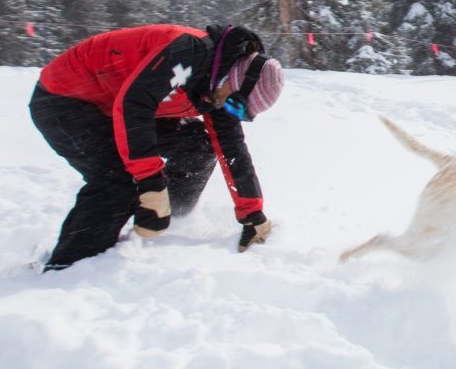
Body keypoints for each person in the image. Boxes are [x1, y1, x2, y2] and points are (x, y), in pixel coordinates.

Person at [29, 23, 285, 270]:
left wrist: (252, 213)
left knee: (198, 145)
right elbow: (134, 105)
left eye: (239, 112)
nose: (229, 111)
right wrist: (150, 182)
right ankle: (68, 267)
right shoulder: (188, 53)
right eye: (234, 105)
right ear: (234, 80)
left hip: (116, 107)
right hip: (64, 99)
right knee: (120, 181)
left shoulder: (218, 83)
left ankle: (165, 223)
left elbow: (231, 147)